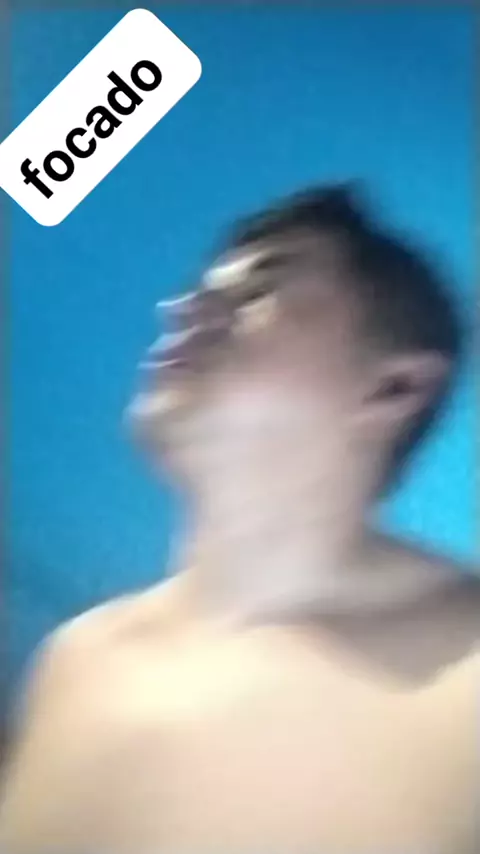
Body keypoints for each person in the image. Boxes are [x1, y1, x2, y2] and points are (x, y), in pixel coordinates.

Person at [0, 184, 478, 854]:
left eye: (260, 288)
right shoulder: (74, 661)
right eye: (200, 290)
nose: (181, 308)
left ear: (393, 388)